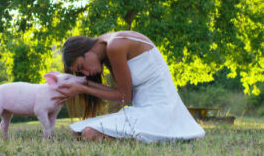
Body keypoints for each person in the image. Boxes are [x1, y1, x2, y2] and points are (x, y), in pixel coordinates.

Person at [53, 31, 205, 143]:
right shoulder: (107, 49)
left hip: (162, 113)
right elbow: (121, 92)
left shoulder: (115, 45)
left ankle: (162, 137)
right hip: (144, 111)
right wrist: (80, 83)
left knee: (89, 133)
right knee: (77, 131)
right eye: (81, 73)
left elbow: (125, 97)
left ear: (86, 50)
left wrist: (82, 88)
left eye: (81, 67)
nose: (86, 73)